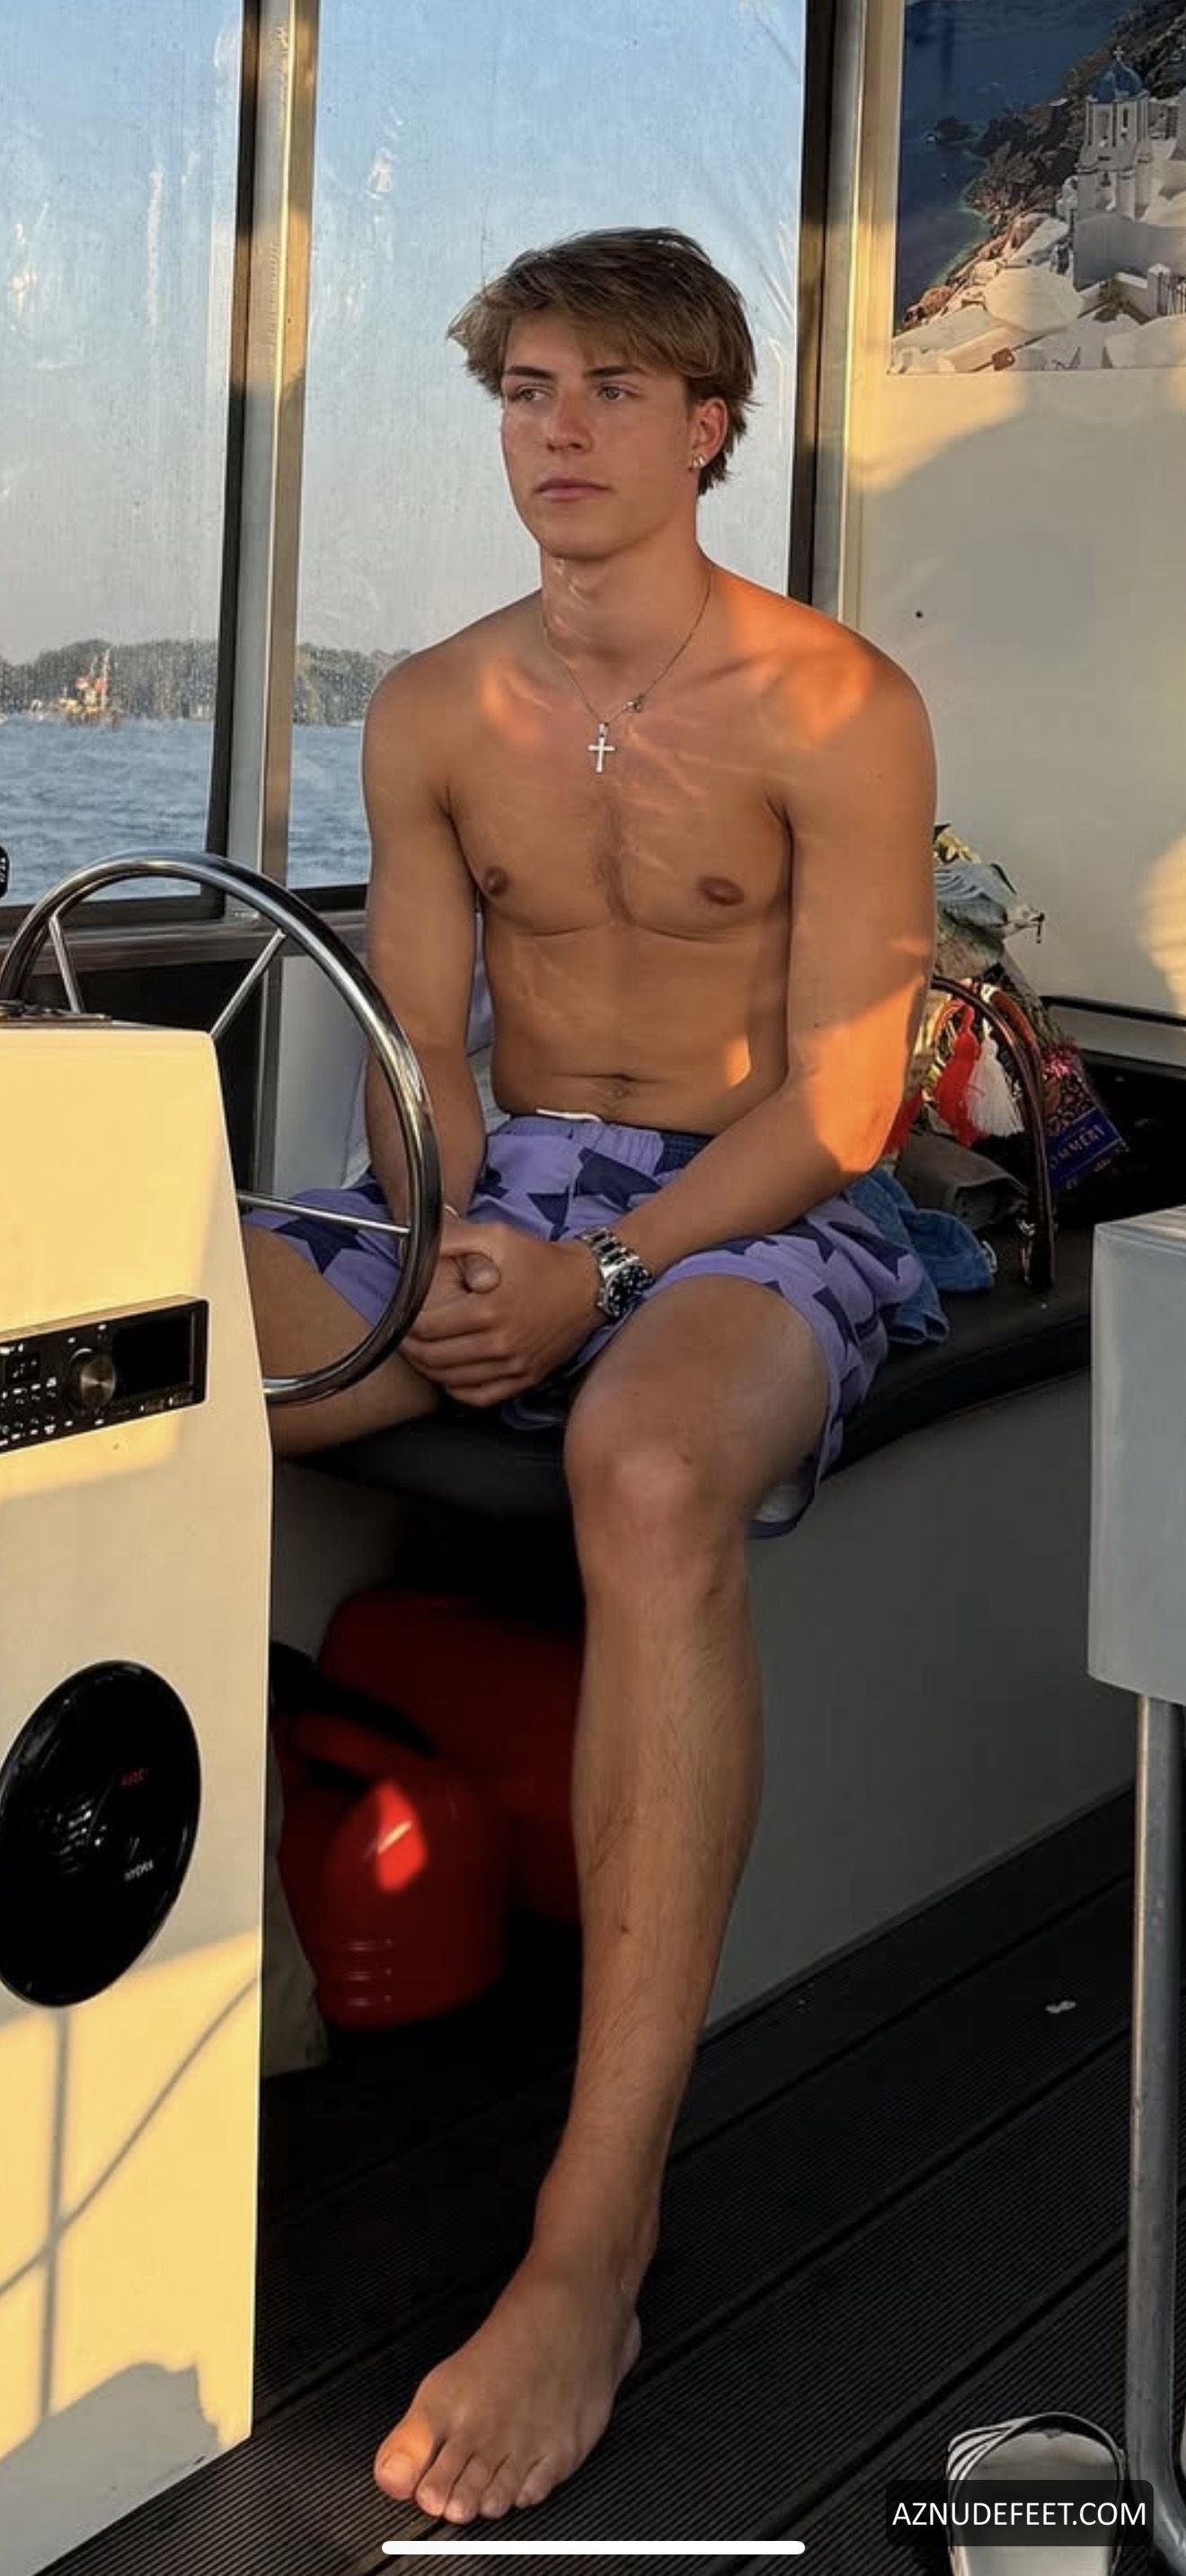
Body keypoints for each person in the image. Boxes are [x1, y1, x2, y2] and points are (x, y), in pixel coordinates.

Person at [244, 225, 936, 2527]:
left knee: (642, 1467)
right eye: (527, 389)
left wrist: (603, 1274)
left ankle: (591, 2235)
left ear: (710, 423)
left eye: (613, 389)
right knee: (131, 1349)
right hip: (506, 1190)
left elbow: (848, 1104)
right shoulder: (436, 707)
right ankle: (185, 1950)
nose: (559, 429)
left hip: (757, 1205)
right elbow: (421, 1061)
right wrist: (453, 1246)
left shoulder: (839, 704)